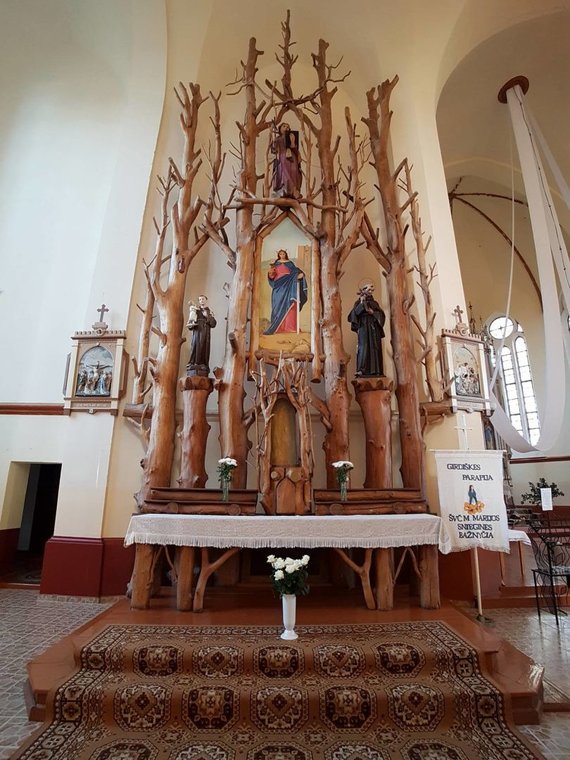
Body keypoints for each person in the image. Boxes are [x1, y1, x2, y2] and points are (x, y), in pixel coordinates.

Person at [264, 249, 307, 335]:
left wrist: (300, 274)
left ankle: (290, 327)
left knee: (291, 305)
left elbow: (296, 271)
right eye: (280, 254)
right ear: (278, 255)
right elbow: (272, 276)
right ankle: (279, 328)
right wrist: (270, 274)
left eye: (283, 254)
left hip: (289, 286)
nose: (282, 255)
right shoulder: (275, 264)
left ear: (285, 254)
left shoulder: (290, 263)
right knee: (277, 306)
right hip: (278, 286)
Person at [348, 283, 386, 376]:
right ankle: (362, 370)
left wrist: (373, 313)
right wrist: (362, 303)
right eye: (369, 290)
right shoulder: (358, 302)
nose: (371, 292)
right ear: (364, 290)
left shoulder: (375, 303)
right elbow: (353, 315)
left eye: (372, 290)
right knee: (363, 347)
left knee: (374, 347)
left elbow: (381, 315)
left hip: (373, 328)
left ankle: (377, 370)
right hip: (363, 327)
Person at [187, 295, 216, 375]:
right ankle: (193, 363)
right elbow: (191, 322)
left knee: (204, 348)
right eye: (199, 299)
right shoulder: (196, 310)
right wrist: (191, 324)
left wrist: (207, 317)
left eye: (203, 299)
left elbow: (213, 324)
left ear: (206, 300)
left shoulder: (209, 311)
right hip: (197, 332)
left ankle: (203, 364)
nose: (201, 301)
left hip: (205, 333)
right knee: (195, 347)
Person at [271, 123, 302, 198]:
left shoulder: (292, 137)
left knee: (294, 172)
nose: (286, 128)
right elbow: (273, 150)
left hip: (292, 158)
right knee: (284, 173)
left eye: (288, 127)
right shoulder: (278, 139)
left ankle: (294, 190)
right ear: (280, 128)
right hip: (283, 158)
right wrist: (273, 139)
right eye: (284, 126)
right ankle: (285, 189)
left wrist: (292, 143)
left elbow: (296, 150)